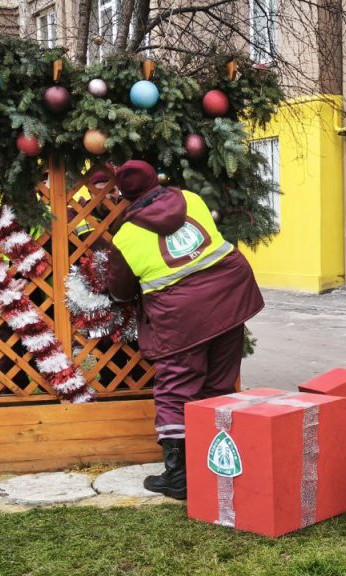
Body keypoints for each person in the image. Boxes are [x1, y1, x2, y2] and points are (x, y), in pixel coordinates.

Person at [103, 159, 263, 500]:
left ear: (122, 195)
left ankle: (179, 478)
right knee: (218, 384)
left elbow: (120, 291)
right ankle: (217, 462)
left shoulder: (126, 237)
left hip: (181, 319)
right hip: (230, 300)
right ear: (156, 181)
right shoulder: (191, 199)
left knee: (175, 391)